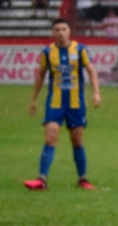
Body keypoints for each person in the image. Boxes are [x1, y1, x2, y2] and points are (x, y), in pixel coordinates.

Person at [24, 18, 102, 190]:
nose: (60, 32)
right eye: (57, 29)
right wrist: (33, 100)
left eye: (63, 29)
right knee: (50, 137)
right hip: (55, 103)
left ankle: (83, 179)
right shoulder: (47, 52)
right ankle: (41, 179)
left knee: (77, 141)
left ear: (69, 31)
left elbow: (91, 71)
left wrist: (96, 93)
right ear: (53, 33)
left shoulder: (80, 49)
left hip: (76, 103)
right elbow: (40, 76)